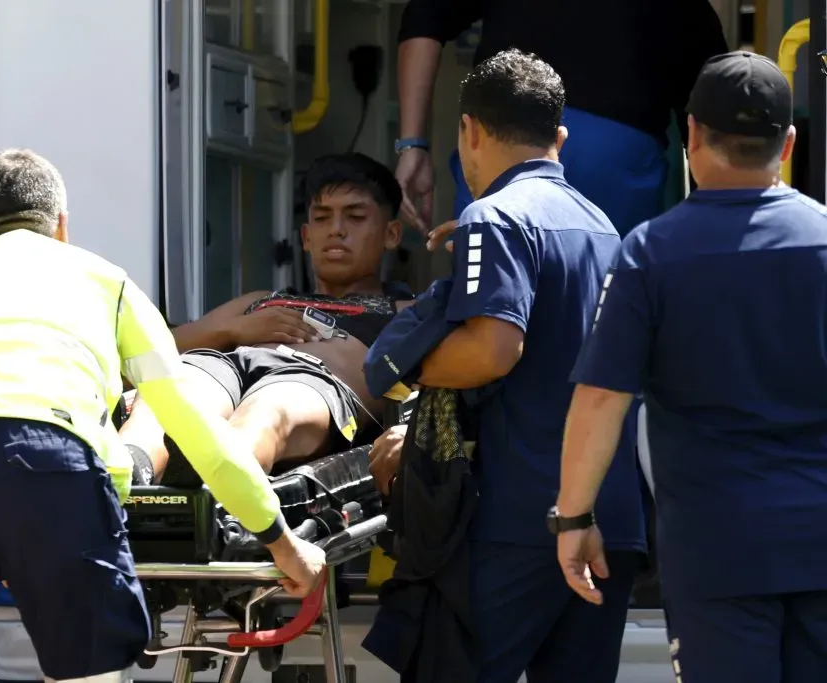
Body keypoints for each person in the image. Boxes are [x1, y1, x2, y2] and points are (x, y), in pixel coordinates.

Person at [0, 149, 326, 683]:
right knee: (89, 670)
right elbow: (195, 427)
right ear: (62, 226)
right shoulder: (108, 284)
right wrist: (282, 544)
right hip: (51, 462)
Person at [369, 50, 646, 683]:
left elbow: (493, 350)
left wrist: (403, 364)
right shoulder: (603, 226)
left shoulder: (493, 217)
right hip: (611, 516)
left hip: (522, 523)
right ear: (561, 136)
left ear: (468, 129)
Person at [557, 52, 827, 683]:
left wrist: (574, 518)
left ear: (693, 134)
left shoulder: (650, 253)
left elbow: (601, 399)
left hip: (715, 553)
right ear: (787, 143)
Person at [120, 153, 412, 484]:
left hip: (313, 380)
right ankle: (123, 472)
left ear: (391, 234)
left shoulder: (406, 312)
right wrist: (234, 329)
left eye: (355, 217)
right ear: (305, 237)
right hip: (223, 366)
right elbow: (147, 353)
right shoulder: (262, 300)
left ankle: (226, 487)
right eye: (322, 218)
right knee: (170, 394)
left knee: (268, 409)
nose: (336, 230)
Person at [393, 0, 728, 236]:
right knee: (606, 311)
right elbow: (710, 100)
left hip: (502, 142)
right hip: (614, 152)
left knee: (486, 307)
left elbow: (424, 17)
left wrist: (412, 145)